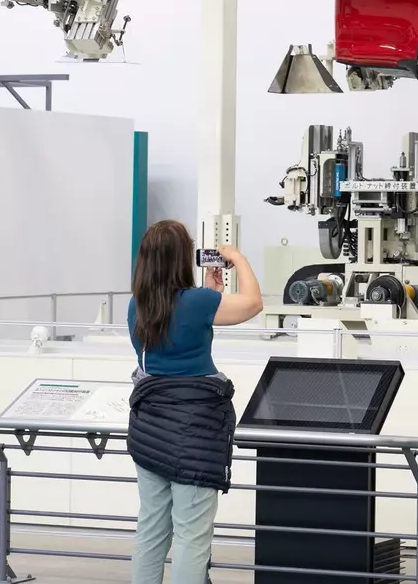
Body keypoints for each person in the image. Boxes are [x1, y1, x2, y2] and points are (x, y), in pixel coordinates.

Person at [125, 220, 263, 584]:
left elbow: (174, 328)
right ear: (181, 259)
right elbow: (252, 304)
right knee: (191, 535)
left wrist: (210, 291)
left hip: (149, 428)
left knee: (151, 530)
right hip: (196, 431)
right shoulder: (198, 302)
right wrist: (238, 258)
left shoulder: (135, 306)